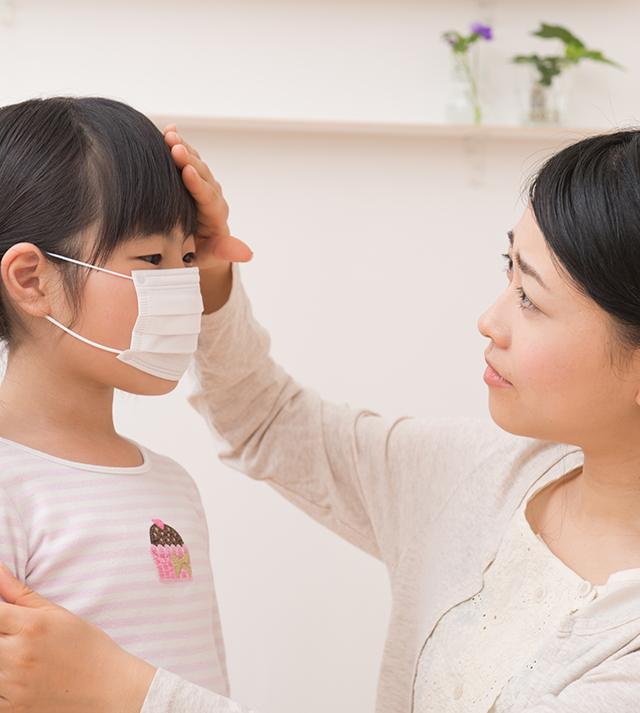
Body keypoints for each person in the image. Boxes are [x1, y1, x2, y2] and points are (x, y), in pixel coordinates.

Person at [1, 125, 640, 712]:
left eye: (530, 299)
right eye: (508, 269)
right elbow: (269, 421)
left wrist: (129, 693)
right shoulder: (475, 479)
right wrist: (209, 271)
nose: (489, 320)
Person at [0, 98, 255, 713]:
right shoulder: (9, 487)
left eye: (188, 258)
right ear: (33, 281)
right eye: (151, 260)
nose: (183, 287)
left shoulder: (172, 484)